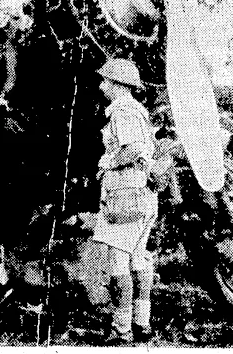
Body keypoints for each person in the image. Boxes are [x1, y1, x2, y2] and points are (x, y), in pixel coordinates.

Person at [92, 58, 157, 344]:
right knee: (138, 260)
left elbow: (131, 150)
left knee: (119, 264)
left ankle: (121, 329)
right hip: (140, 194)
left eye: (105, 80)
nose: (101, 84)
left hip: (124, 194)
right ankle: (141, 322)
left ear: (117, 85)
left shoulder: (124, 111)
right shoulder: (138, 111)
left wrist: (107, 165)